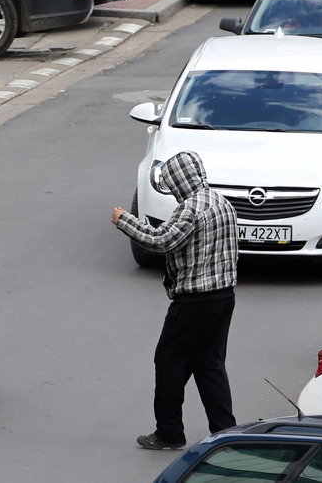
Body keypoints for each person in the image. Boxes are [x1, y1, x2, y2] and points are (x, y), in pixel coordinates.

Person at [111, 151, 239, 450]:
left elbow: (161, 240)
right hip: (224, 297)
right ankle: (226, 431)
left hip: (194, 301)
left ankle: (169, 431)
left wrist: (124, 221)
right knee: (209, 364)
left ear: (178, 181)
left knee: (169, 363)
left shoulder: (190, 209)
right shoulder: (222, 202)